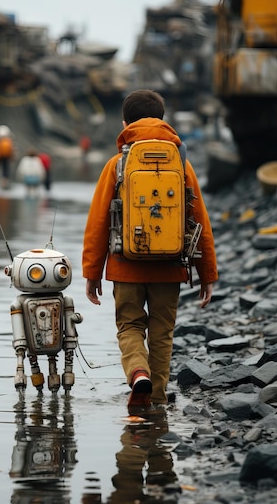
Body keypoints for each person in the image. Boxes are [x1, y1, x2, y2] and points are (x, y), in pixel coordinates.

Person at [82, 89, 218, 410]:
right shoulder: (181, 163)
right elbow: (199, 221)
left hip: (124, 264)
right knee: (162, 334)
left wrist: (92, 273)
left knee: (129, 326)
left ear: (125, 122)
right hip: (170, 266)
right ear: (163, 120)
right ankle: (155, 399)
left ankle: (137, 373)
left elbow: (98, 222)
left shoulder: (117, 164)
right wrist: (206, 274)